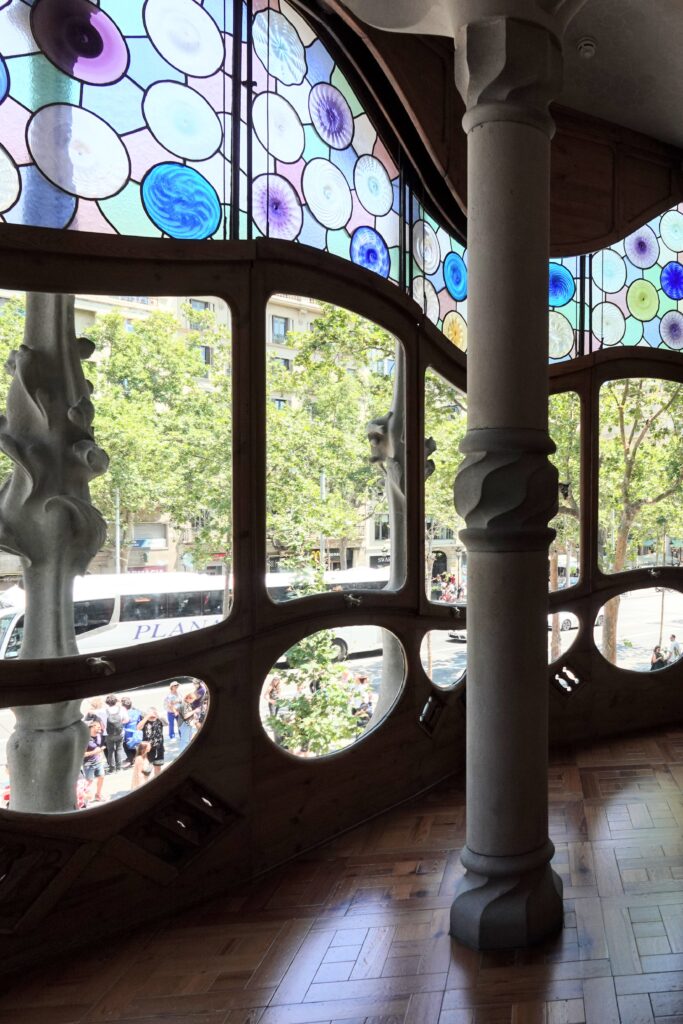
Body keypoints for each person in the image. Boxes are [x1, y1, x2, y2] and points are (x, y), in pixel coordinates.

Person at [82, 718, 107, 803]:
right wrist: (95, 751)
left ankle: (98, 795)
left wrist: (99, 754)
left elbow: (98, 747)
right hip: (88, 763)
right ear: (92, 727)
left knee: (101, 777)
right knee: (89, 781)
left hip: (98, 761)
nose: (100, 729)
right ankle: (85, 800)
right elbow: (82, 754)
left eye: (100, 727)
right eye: (98, 727)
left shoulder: (99, 736)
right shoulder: (85, 739)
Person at [137, 707, 166, 776]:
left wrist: (158, 715)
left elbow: (166, 723)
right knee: (147, 769)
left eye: (154, 713)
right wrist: (147, 717)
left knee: (158, 766)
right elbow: (138, 728)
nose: (153, 715)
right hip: (147, 749)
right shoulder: (144, 720)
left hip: (159, 748)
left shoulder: (159, 720)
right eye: (151, 713)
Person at [104, 694, 129, 773]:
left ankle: (112, 769)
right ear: (116, 701)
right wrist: (120, 723)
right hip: (120, 732)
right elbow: (127, 720)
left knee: (110, 750)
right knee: (119, 749)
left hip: (108, 734)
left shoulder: (104, 711)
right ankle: (119, 768)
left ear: (107, 702)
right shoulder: (122, 709)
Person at [121, 697, 143, 767]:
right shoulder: (137, 712)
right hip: (136, 731)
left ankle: (132, 759)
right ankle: (137, 759)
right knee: (136, 745)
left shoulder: (124, 714)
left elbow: (122, 723)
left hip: (127, 732)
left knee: (126, 746)